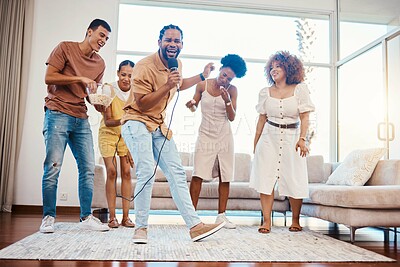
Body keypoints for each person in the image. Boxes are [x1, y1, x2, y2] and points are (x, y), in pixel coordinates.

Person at [121, 24, 225, 244]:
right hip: (135, 121)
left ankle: (195, 226)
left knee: (177, 173)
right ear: (159, 42)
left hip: (158, 124)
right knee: (147, 169)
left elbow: (177, 85)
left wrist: (201, 76)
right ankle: (140, 229)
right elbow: (141, 103)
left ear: (182, 45)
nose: (172, 44)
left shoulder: (176, 63)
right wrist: (166, 85)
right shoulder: (144, 66)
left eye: (177, 41)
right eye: (168, 40)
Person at [40, 19, 112, 233]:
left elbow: (90, 94)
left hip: (80, 116)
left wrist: (98, 104)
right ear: (89, 32)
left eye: (107, 38)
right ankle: (48, 217)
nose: (103, 40)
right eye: (101, 35)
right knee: (53, 167)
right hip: (57, 113)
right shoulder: (65, 48)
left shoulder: (100, 64)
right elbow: (49, 77)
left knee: (88, 168)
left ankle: (86, 217)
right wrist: (80, 77)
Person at [249, 51, 315, 234]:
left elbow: (305, 117)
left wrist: (303, 139)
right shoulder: (265, 92)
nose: (274, 70)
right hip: (268, 136)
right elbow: (261, 120)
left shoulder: (300, 89)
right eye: (272, 67)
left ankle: (295, 220)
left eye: (278, 66)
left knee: (294, 177)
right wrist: (256, 143)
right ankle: (267, 221)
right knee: (265, 178)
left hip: (292, 137)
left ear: (289, 68)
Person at [186, 54, 247, 229]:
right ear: (220, 70)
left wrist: (227, 100)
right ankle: (191, 216)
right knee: (198, 174)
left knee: (225, 175)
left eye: (229, 78)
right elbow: (194, 105)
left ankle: (221, 216)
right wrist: (191, 104)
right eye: (224, 75)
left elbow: (232, 117)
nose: (225, 79)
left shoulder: (233, 90)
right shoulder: (202, 84)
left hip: (224, 137)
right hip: (205, 136)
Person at [98, 60, 135, 228]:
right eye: (123, 74)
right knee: (112, 172)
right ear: (118, 73)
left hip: (126, 135)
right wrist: (126, 119)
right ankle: (112, 217)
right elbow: (108, 121)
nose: (126, 79)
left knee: (127, 173)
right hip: (108, 133)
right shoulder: (109, 89)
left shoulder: (136, 92)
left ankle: (126, 217)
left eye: (130, 76)